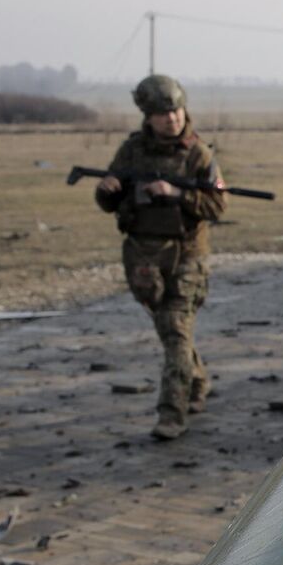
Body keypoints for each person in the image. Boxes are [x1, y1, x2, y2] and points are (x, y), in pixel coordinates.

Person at [93, 74, 227, 440]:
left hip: (186, 257)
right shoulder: (132, 151)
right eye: (163, 113)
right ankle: (197, 382)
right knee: (172, 331)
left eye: (177, 111)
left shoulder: (200, 155)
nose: (173, 119)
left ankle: (172, 413)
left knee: (175, 330)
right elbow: (112, 199)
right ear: (148, 116)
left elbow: (217, 205)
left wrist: (177, 194)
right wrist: (107, 191)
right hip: (143, 258)